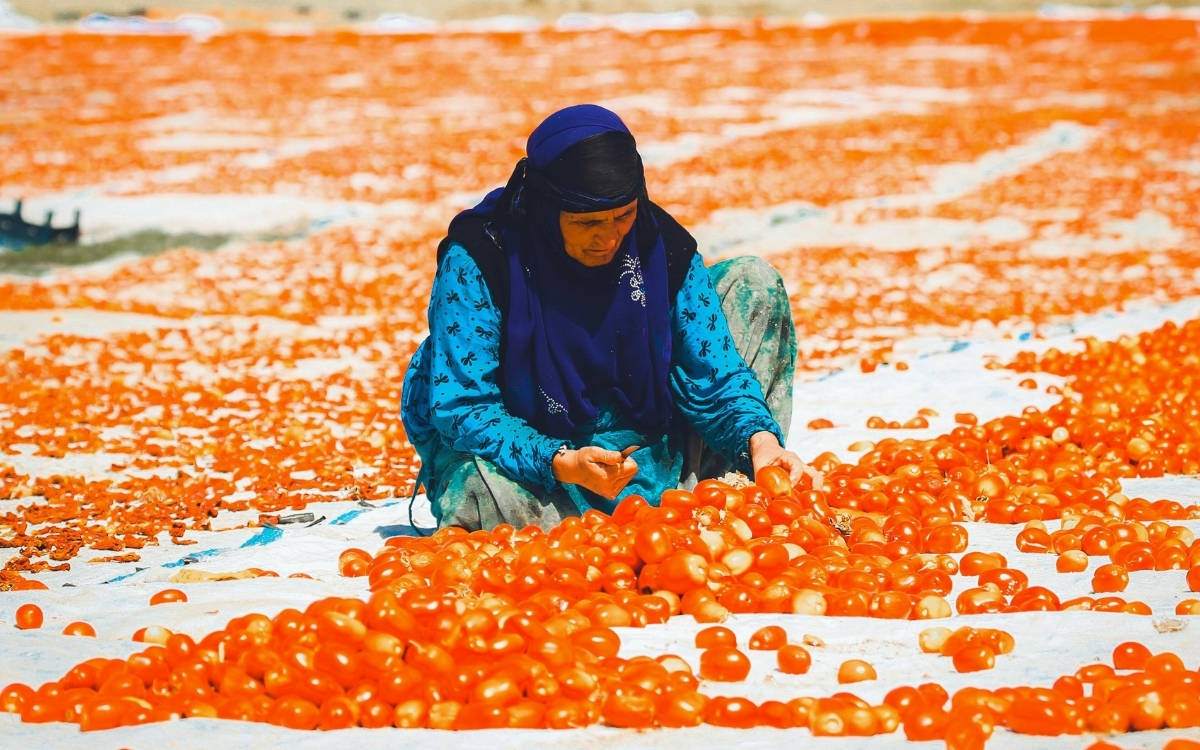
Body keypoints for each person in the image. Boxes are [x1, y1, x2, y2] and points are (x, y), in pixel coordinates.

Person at [401, 104, 817, 531]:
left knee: (753, 282)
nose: (610, 237)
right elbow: (463, 406)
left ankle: (720, 483)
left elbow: (715, 372)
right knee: (478, 490)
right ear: (546, 208)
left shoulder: (659, 245)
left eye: (623, 216)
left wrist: (760, 441)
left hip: (653, 443)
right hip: (540, 461)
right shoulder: (483, 259)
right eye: (588, 223)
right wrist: (560, 461)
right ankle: (640, 508)